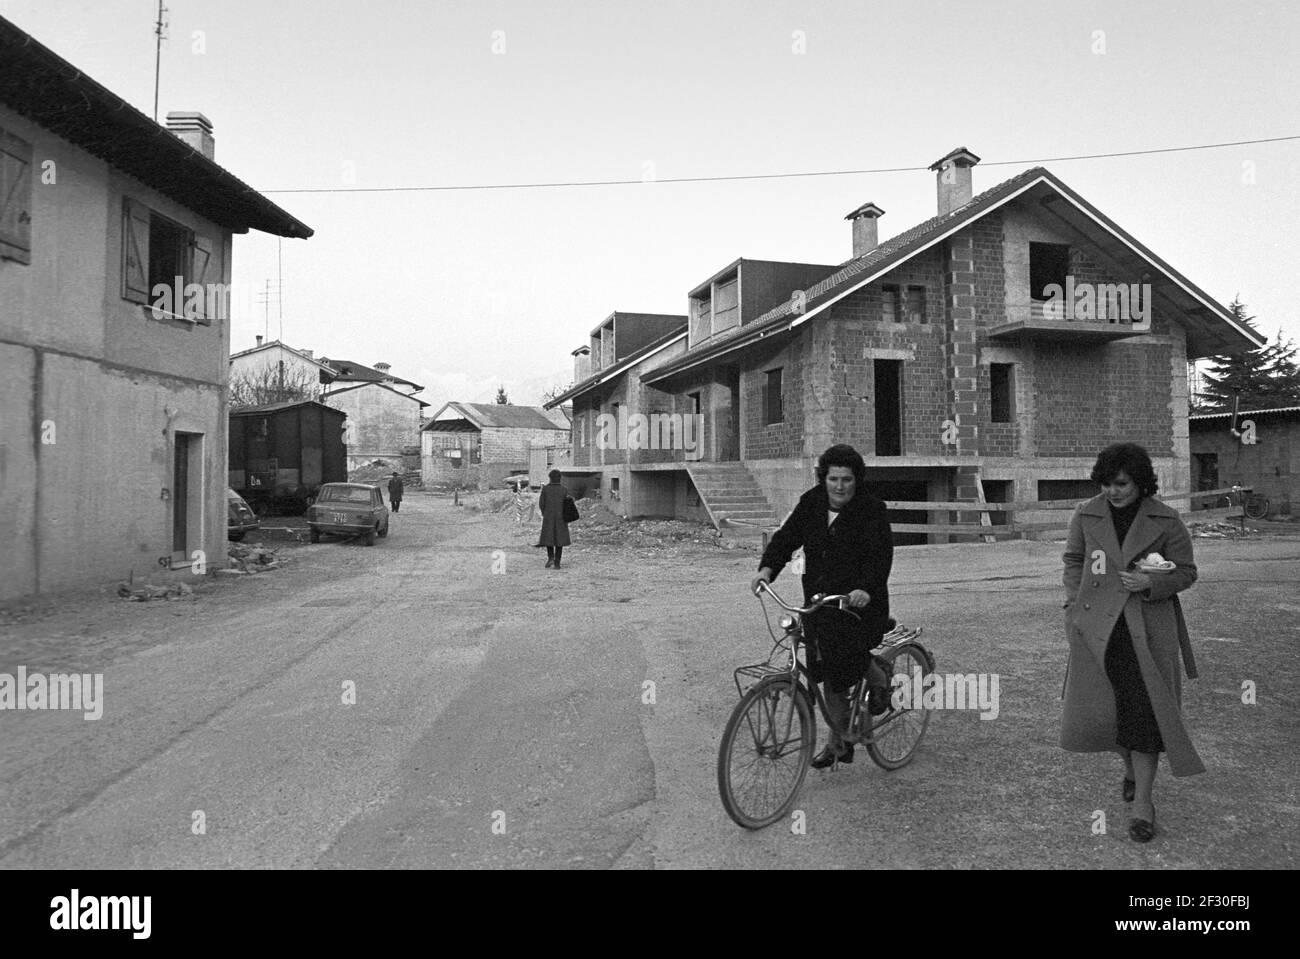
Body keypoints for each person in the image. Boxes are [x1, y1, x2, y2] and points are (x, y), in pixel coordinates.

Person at [1061, 442, 1203, 843]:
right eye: (1106, 483)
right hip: (1097, 629)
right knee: (1108, 712)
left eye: (1121, 483)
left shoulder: (1166, 519)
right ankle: (1127, 768)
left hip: (1148, 631)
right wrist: (1073, 605)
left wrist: (1152, 582)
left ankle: (1143, 802)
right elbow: (1073, 560)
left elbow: (1188, 572)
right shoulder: (1087, 514)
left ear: (1141, 483)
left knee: (1145, 714)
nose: (1113, 491)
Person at [750, 444, 894, 768]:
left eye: (846, 479)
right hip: (819, 603)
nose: (839, 486)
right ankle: (839, 737)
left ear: (856, 480)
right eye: (833, 479)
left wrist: (866, 589)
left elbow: (881, 556)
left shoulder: (871, 510)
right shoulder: (811, 503)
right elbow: (786, 538)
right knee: (823, 670)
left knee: (837, 672)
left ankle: (876, 679)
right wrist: (766, 570)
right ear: (823, 479)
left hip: (859, 607)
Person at [536, 469, 571, 569]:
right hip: (561, 518)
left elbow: (541, 503)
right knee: (560, 540)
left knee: (549, 538)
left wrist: (544, 513)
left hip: (548, 517)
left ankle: (551, 557)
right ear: (560, 478)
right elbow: (567, 504)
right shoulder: (564, 489)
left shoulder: (546, 489)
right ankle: (557, 563)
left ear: (550, 478)